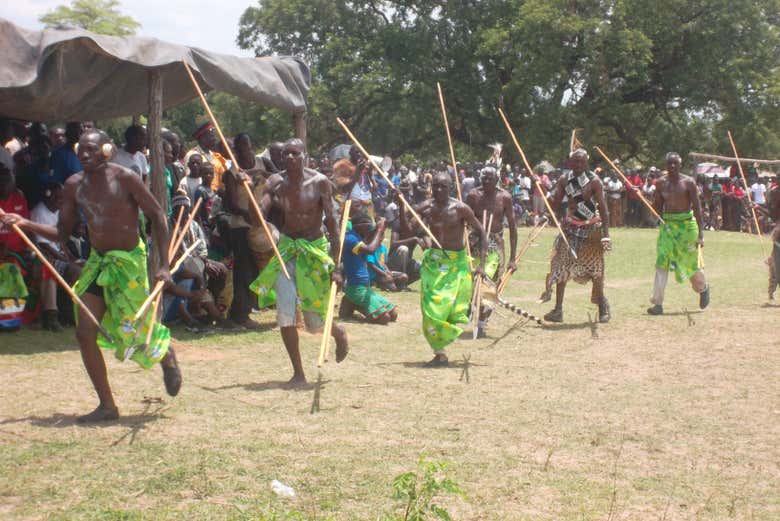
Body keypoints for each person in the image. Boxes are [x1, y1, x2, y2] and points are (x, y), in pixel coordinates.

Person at [2, 129, 181, 422]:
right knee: (85, 332)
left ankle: (166, 355)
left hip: (129, 263)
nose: (84, 154)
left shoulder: (125, 178)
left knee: (132, 332)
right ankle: (107, 405)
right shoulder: (74, 185)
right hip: (98, 263)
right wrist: (25, 223)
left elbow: (158, 216)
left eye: (91, 149)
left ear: (107, 150)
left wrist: (164, 263)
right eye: (80, 149)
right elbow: (62, 233)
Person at [249, 138, 348, 386]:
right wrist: (252, 189)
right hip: (287, 250)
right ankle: (298, 372)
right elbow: (259, 217)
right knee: (286, 312)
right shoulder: (275, 182)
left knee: (315, 320)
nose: (290, 158)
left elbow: (333, 225)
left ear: (305, 155)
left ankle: (338, 333)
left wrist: (338, 265)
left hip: (314, 249)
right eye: (286, 155)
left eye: (295, 154)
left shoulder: (320, 183)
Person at [398, 171, 486, 367]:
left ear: (450, 188)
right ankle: (440, 353)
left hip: (456, 264)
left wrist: (480, 265)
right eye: (436, 186)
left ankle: (469, 310)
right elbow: (407, 230)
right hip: (434, 264)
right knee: (430, 309)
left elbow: (481, 232)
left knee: (449, 306)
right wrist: (400, 207)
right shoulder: (426, 207)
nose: (438, 190)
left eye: (443, 186)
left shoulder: (461, 208)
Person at [539, 149, 612, 323]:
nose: (578, 165)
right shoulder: (565, 180)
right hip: (570, 229)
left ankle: (602, 306)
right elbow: (556, 203)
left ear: (587, 162)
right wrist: (548, 214)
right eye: (575, 162)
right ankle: (558, 310)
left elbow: (603, 208)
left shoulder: (594, 182)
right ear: (570, 163)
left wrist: (606, 235)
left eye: (581, 162)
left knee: (595, 270)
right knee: (562, 267)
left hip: (591, 230)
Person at [647, 153, 709, 315]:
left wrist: (701, 235)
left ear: (680, 165)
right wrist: (645, 198)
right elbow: (656, 210)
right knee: (662, 263)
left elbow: (697, 209)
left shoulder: (688, 183)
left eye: (675, 164)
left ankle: (702, 288)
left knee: (690, 263)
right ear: (666, 165)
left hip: (687, 227)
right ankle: (658, 303)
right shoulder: (661, 183)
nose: (672, 166)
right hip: (668, 228)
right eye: (669, 164)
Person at [466, 166, 518, 337]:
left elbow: (512, 227)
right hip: (474, 242)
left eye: (490, 179)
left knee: (488, 283)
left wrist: (512, 258)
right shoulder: (473, 195)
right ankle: (470, 308)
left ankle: (481, 323)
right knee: (472, 282)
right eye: (484, 178)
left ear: (497, 180)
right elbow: (463, 219)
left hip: (494, 245)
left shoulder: (505, 197)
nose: (487, 182)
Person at [338, 214, 398, 323]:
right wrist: (379, 229)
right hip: (356, 288)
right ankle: (351, 301)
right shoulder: (350, 239)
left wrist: (380, 228)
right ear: (360, 226)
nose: (370, 228)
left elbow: (371, 238)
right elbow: (370, 249)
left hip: (366, 287)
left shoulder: (360, 237)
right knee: (385, 318)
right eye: (369, 226)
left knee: (393, 314)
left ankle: (351, 303)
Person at [184, 123, 228, 191]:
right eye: (211, 136)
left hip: (217, 196)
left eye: (214, 136)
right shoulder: (192, 155)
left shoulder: (216, 156)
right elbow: (191, 179)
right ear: (202, 138)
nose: (214, 138)